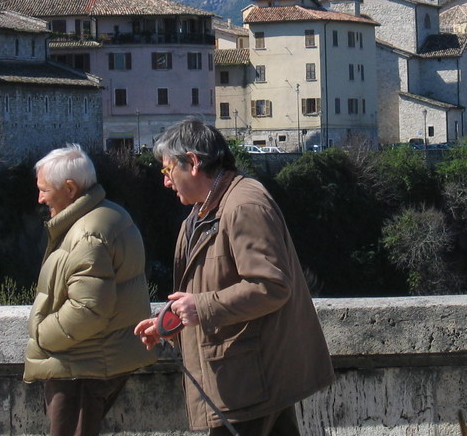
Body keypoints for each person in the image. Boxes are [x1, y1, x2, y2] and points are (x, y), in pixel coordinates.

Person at [134, 118, 334, 435]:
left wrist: (201, 308)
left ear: (194, 162)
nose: (166, 182)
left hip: (249, 382)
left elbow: (271, 285)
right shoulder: (205, 210)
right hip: (242, 378)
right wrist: (168, 322)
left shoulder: (244, 205)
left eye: (168, 170)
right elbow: (206, 285)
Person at [24, 143, 157, 436]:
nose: (40, 197)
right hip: (94, 360)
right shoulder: (109, 215)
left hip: (81, 366)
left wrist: (41, 334)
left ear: (70, 188)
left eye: (45, 189)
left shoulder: (87, 232)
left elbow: (89, 309)